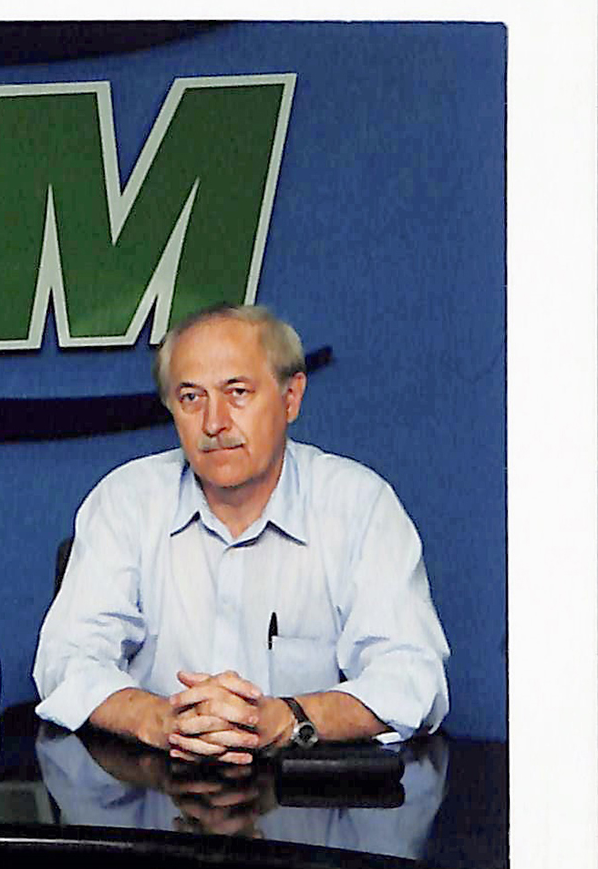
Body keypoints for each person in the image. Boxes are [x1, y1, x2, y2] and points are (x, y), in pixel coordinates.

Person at [32, 304, 448, 763]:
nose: (214, 423)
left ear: (291, 398)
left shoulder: (359, 506)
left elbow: (413, 678)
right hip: (155, 789)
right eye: (191, 397)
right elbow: (66, 659)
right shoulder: (126, 500)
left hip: (305, 796)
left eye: (238, 392)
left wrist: (287, 718)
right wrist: (157, 719)